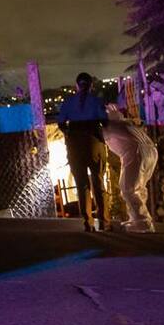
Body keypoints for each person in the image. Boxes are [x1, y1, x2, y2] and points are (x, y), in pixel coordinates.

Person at [57, 72, 109, 232]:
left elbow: (61, 123)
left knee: (81, 184)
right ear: (91, 85)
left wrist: (70, 134)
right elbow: (105, 122)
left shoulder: (68, 102)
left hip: (74, 143)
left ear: (77, 86)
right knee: (98, 182)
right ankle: (104, 221)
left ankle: (88, 223)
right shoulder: (96, 101)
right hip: (93, 140)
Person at [102, 104, 158, 233]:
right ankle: (139, 219)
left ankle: (142, 222)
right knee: (139, 187)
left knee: (128, 189)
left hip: (136, 153)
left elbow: (99, 136)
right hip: (150, 151)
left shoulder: (110, 127)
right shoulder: (126, 124)